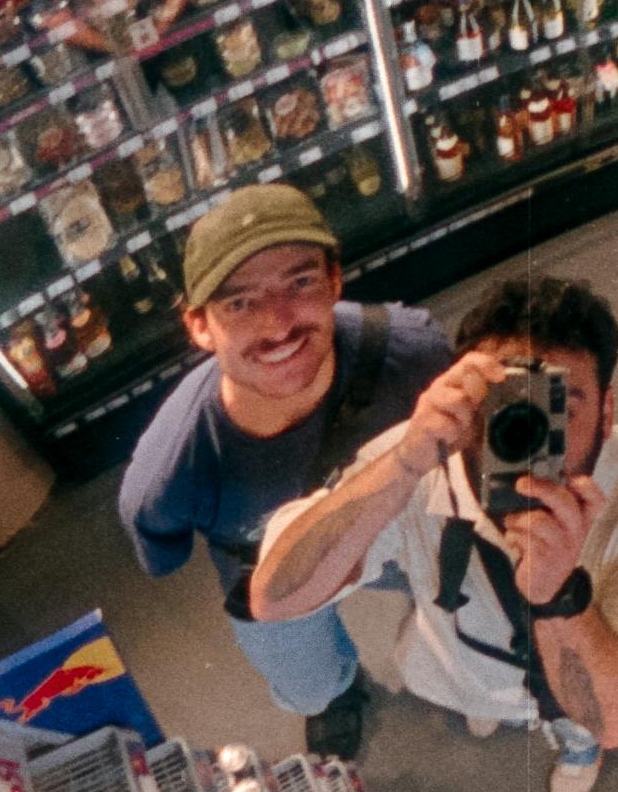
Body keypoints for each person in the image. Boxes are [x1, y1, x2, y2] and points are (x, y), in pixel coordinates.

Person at [243, 265, 618, 792]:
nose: (530, 432)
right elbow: (275, 598)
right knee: (475, 700)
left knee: (580, 730)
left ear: (607, 414)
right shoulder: (421, 459)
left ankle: (576, 752)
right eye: (507, 403)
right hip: (457, 670)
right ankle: (490, 712)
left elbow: (615, 720)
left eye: (560, 406)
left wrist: (559, 594)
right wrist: (404, 464)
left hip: (570, 688)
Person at [114, 182, 451, 760]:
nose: (277, 325)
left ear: (335, 280)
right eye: (239, 303)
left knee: (462, 591)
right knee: (308, 683)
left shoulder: (410, 350)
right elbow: (162, 554)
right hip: (268, 570)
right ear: (199, 325)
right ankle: (336, 692)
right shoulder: (167, 474)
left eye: (300, 283)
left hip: (394, 524)